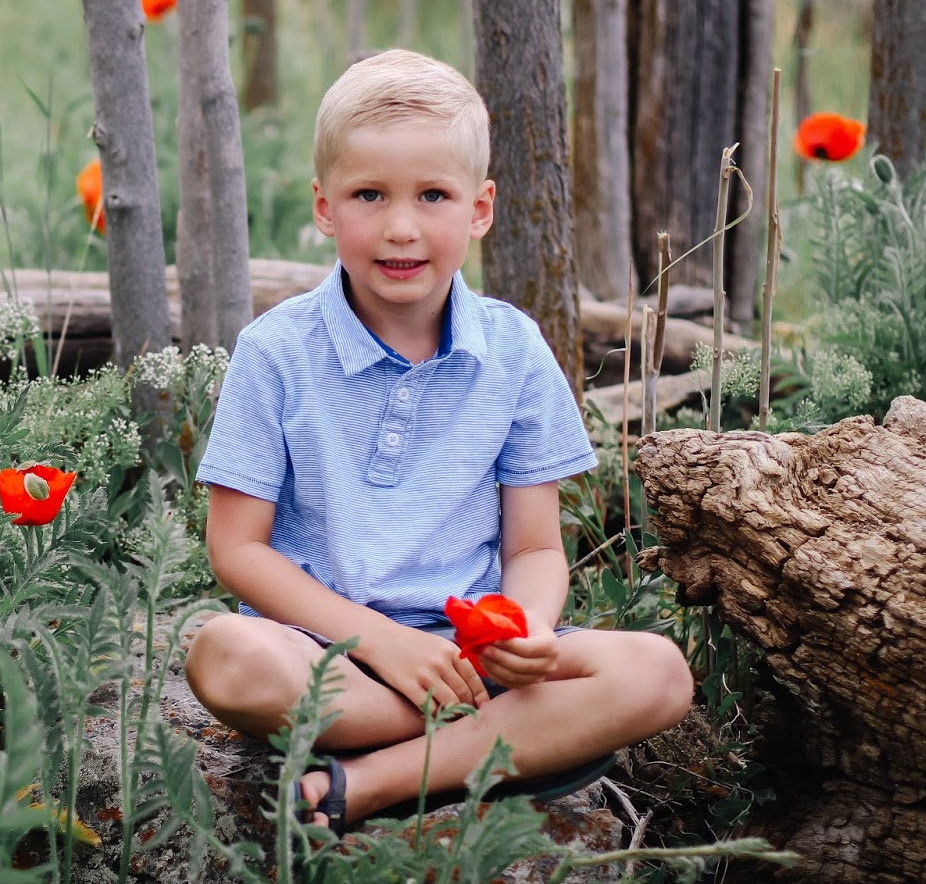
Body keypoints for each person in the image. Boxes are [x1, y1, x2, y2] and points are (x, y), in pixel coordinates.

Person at [184, 49, 693, 835]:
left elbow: (535, 549)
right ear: (324, 206)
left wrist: (525, 631)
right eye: (369, 194)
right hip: (325, 653)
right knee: (225, 657)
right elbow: (238, 550)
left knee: (660, 673)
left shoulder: (513, 350)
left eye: (433, 195)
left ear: (480, 208)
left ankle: (374, 780)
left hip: (472, 656)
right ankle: (500, 743)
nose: (401, 227)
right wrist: (385, 646)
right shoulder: (275, 350)